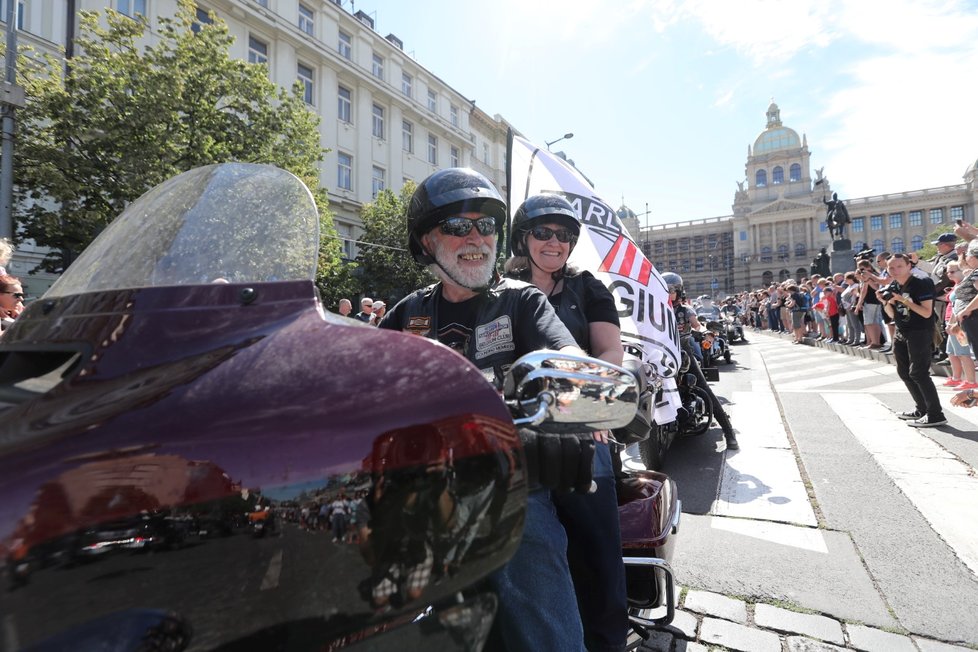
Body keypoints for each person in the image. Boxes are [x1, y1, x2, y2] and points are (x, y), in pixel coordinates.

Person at [378, 168, 591, 651]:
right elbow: (349, 376)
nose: (476, 238)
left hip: (505, 484)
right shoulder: (406, 314)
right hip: (416, 488)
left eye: (487, 226)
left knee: (538, 591)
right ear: (427, 242)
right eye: (458, 227)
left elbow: (569, 365)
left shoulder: (522, 304)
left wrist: (566, 413)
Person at [504, 193, 627, 652]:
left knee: (596, 540)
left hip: (578, 423)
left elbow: (609, 352)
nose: (554, 242)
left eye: (564, 235)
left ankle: (607, 639)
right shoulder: (500, 290)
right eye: (543, 233)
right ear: (523, 237)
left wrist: (588, 401)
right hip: (515, 428)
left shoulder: (587, 287)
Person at [662, 272, 739, 450]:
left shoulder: (685, 310)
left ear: (679, 291)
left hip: (683, 352)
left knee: (705, 390)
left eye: (671, 290)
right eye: (663, 289)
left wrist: (706, 332)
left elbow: (697, 324)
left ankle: (729, 432)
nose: (667, 293)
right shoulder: (655, 309)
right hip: (661, 353)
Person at [880, 253, 946, 427]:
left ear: (909, 266)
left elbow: (926, 312)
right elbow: (892, 315)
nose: (894, 270)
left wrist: (902, 299)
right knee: (904, 372)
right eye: (891, 267)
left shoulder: (921, 282)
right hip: (902, 331)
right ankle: (922, 409)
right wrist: (886, 302)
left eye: (899, 266)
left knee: (919, 372)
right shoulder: (894, 284)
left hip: (920, 331)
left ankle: (935, 414)